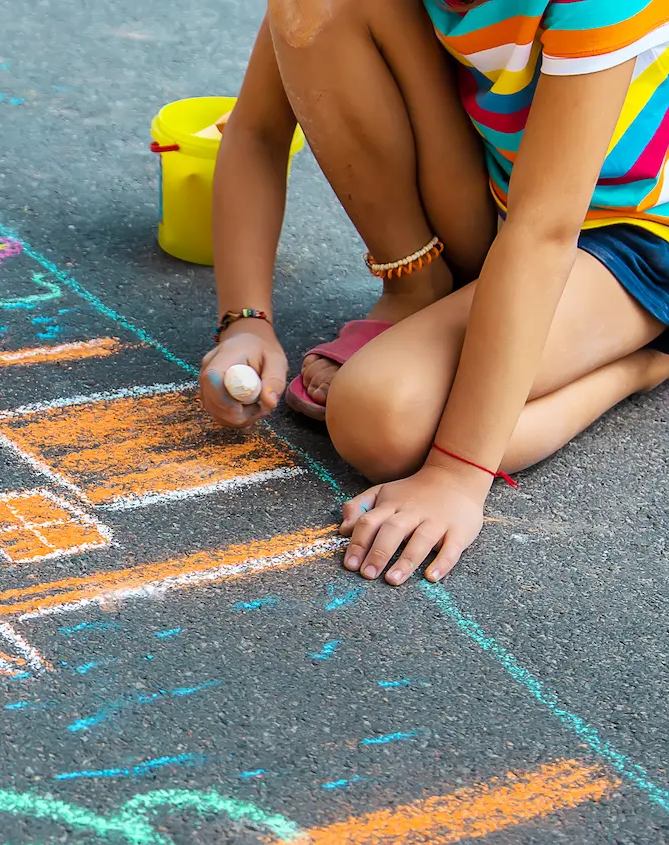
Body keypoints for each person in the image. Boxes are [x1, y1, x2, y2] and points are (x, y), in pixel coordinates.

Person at [197, 0, 669, 585]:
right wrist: (246, 321)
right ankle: (419, 290)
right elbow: (258, 129)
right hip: (506, 207)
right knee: (314, 7)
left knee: (382, 420)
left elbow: (545, 233)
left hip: (633, 241)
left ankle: (641, 367)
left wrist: (455, 475)